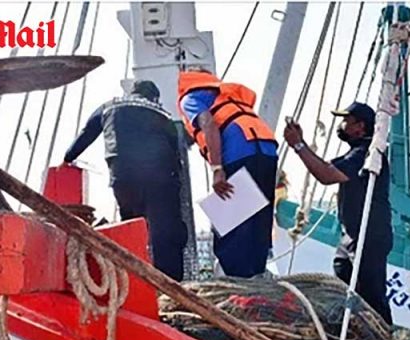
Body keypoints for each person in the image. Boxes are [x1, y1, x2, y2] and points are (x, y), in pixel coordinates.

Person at [63, 80, 188, 281]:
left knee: (132, 227)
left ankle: (133, 279)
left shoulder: (109, 106)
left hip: (123, 175)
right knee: (165, 232)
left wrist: (68, 157)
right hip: (159, 175)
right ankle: (171, 284)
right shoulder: (162, 113)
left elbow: (87, 133)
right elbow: (176, 151)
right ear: (154, 97)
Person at [283, 102, 393, 325]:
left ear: (360, 126)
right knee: (342, 271)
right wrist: (301, 144)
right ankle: (353, 326)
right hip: (352, 235)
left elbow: (327, 175)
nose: (342, 126)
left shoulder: (366, 153)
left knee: (371, 294)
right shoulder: (356, 153)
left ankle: (384, 334)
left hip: (368, 235)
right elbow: (325, 167)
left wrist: (299, 146)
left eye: (346, 121)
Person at [177, 68, 278, 278]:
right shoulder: (225, 95)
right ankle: (257, 278)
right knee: (257, 225)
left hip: (239, 152)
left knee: (231, 231)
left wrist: (217, 169)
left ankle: (239, 285)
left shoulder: (190, 97)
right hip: (267, 150)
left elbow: (209, 124)